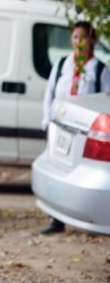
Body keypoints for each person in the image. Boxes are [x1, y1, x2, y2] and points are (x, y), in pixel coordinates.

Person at [40, 21, 109, 234]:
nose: (79, 42)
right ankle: (57, 217)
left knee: (79, 173)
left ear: (92, 40)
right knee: (58, 169)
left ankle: (84, 214)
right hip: (62, 125)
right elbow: (50, 93)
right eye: (75, 37)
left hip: (83, 130)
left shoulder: (99, 70)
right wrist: (47, 119)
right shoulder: (63, 64)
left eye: (83, 37)